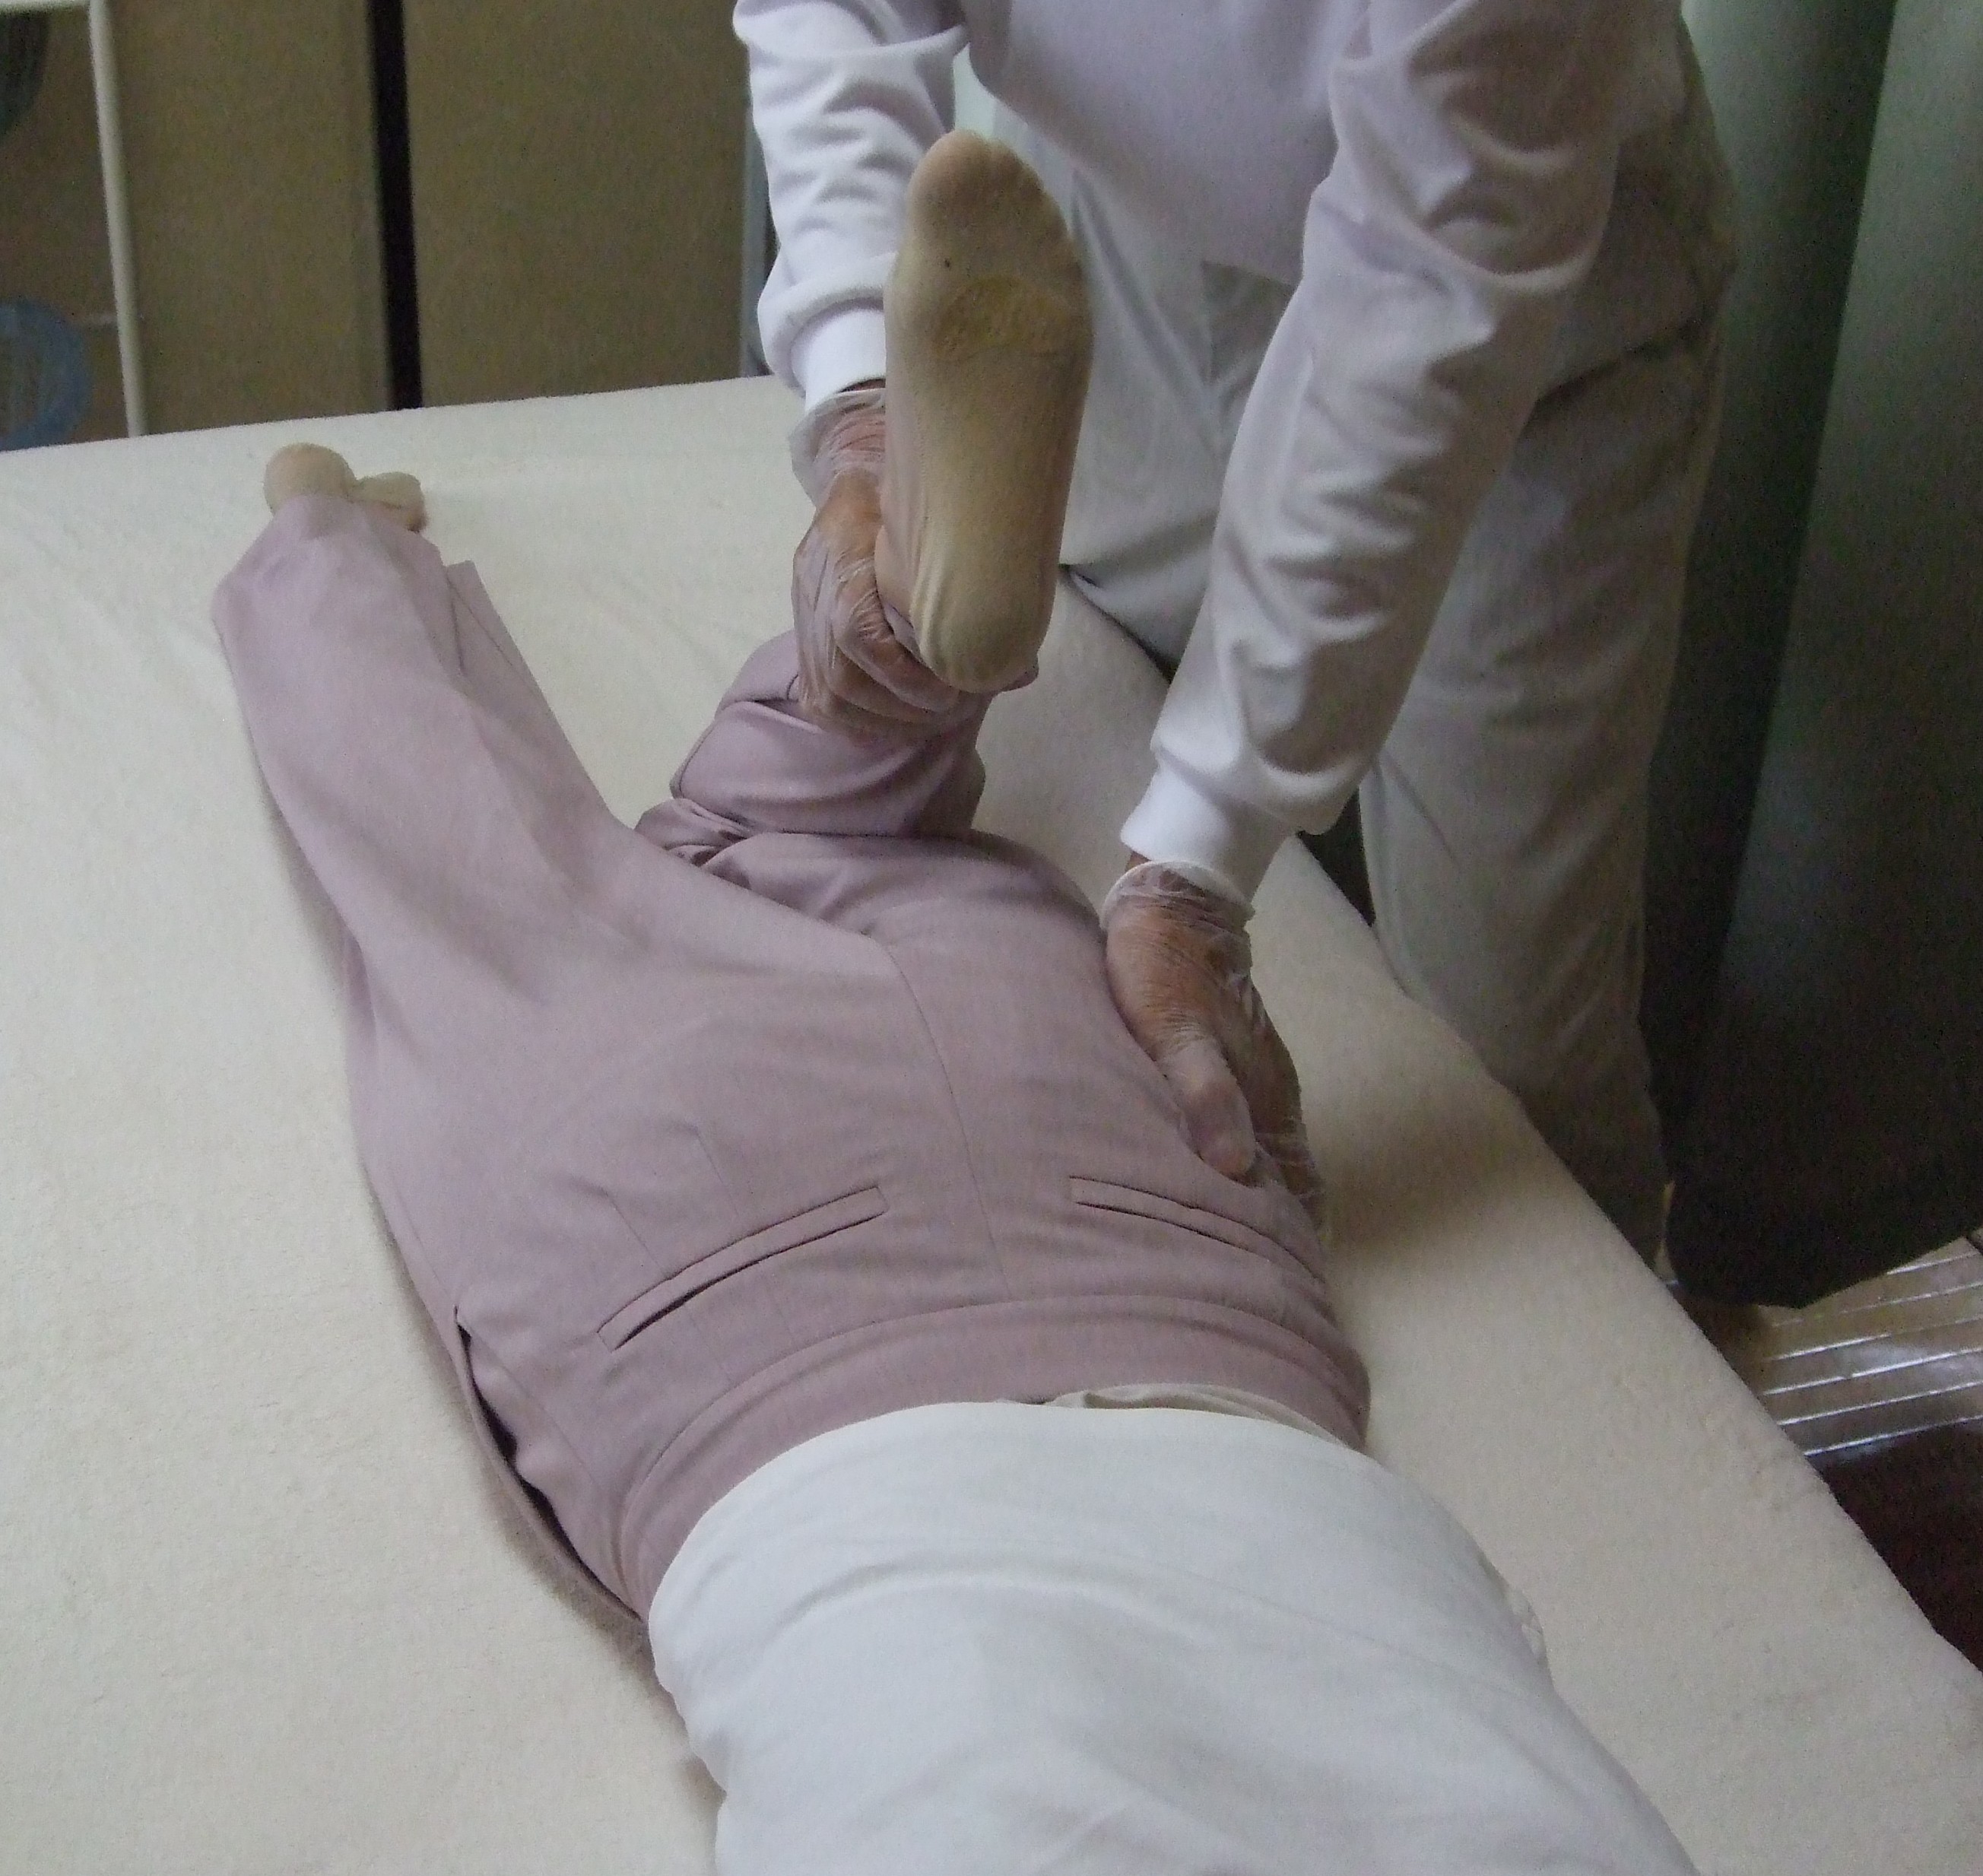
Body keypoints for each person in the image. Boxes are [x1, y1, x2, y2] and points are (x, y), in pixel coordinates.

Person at [211, 137, 1698, 1872]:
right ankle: (893, 642)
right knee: (541, 868)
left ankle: (838, 627)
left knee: (499, 855)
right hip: (952, 1249)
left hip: (959, 1287)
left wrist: (327, 519)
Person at [739, 0, 1739, 1259]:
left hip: (1509, 297)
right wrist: (863, 393)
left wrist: (1198, 856)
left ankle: (1605, 1342)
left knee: (1511, 1036)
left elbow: (1421, 293)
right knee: (1079, 726)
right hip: (1128, 224)